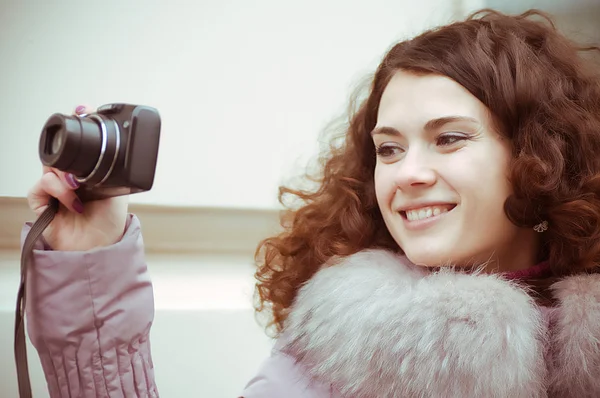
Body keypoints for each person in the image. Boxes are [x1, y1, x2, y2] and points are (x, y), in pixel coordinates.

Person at [22, 8, 600, 398]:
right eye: (389, 149)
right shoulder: (343, 354)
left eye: (449, 138)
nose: (408, 174)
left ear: (538, 156)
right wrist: (91, 268)